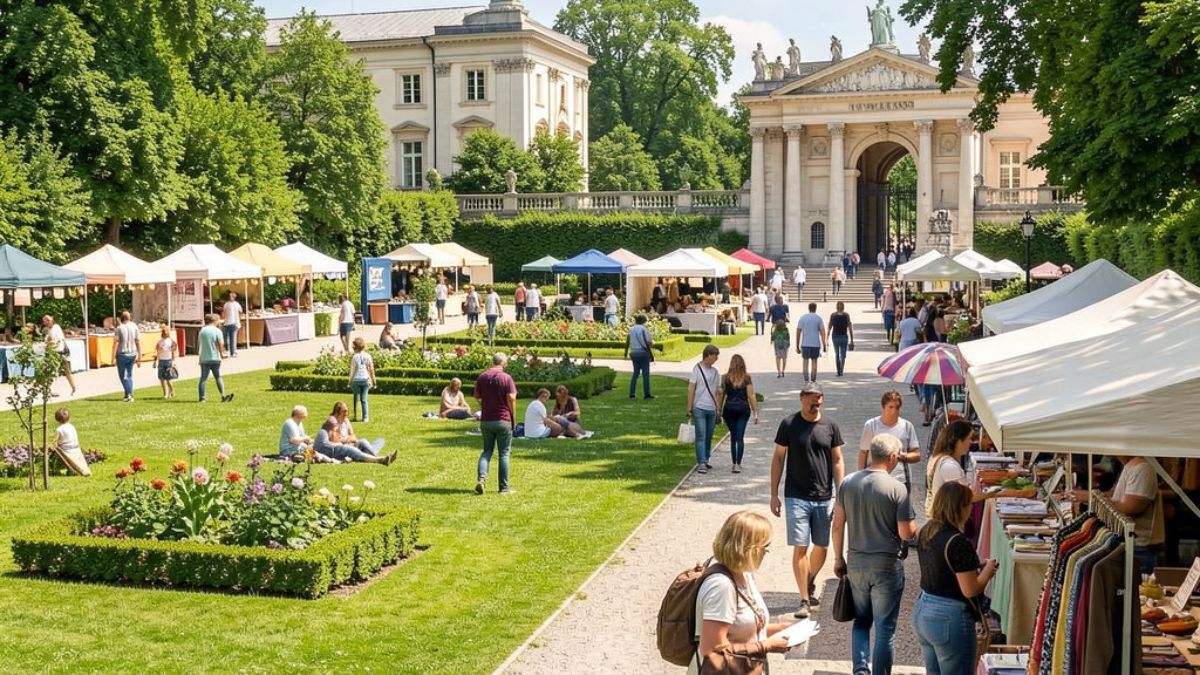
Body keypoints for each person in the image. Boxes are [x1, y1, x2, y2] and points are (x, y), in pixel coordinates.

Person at [831, 434, 918, 675]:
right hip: (887, 565)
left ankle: (860, 670)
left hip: (857, 563)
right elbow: (906, 533)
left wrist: (839, 558)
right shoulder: (897, 489)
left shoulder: (847, 483)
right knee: (885, 629)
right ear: (892, 457)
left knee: (861, 621)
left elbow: (837, 525)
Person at [771, 381, 844, 619]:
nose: (817, 402)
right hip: (796, 495)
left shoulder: (830, 426)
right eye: (812, 397)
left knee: (821, 547)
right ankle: (804, 598)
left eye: (820, 397)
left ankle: (809, 578)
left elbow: (837, 460)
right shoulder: (789, 425)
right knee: (800, 546)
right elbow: (779, 459)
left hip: (824, 496)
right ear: (802, 398)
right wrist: (774, 493)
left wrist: (840, 491)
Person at [689, 511, 793, 675]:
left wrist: (781, 629)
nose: (765, 554)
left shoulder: (744, 573)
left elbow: (742, 629)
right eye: (764, 549)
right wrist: (767, 646)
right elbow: (711, 649)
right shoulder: (721, 586)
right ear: (749, 549)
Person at [913, 482, 999, 675]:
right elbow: (970, 589)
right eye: (969, 504)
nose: (971, 509)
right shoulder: (957, 541)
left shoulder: (927, 531)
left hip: (923, 609)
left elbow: (945, 568)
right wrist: (988, 571)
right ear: (960, 507)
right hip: (949, 615)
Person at [1069, 456, 1165, 572]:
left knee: (1136, 587)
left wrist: (1091, 498)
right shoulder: (1131, 466)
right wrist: (1088, 495)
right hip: (1129, 541)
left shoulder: (1142, 469)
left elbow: (1130, 507)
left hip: (1139, 546)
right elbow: (1116, 495)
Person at [925, 419, 999, 514]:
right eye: (969, 438)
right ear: (959, 441)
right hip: (945, 520)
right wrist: (992, 493)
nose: (971, 443)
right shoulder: (949, 466)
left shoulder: (942, 458)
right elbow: (968, 496)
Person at [475, 352, 518, 495]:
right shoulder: (506, 378)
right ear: (504, 363)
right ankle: (503, 488)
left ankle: (481, 479)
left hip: (486, 420)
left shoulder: (482, 377)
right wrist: (513, 417)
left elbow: (477, 396)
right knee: (504, 454)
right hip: (503, 419)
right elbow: (511, 398)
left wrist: (486, 405)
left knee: (487, 451)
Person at [858, 390, 921, 486]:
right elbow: (863, 452)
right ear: (883, 407)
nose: (894, 411)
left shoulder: (907, 426)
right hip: (875, 479)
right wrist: (861, 477)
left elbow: (916, 455)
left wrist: (901, 457)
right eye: (890, 407)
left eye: (897, 407)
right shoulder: (871, 425)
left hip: (900, 480)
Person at [717, 354, 758, 474]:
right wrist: (756, 412)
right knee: (740, 437)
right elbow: (751, 395)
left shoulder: (725, 378)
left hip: (729, 409)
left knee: (733, 437)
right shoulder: (746, 378)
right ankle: (738, 464)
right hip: (743, 409)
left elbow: (721, 394)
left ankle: (733, 462)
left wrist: (718, 410)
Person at [687, 345, 721, 474]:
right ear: (708, 355)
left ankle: (706, 459)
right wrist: (689, 407)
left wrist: (718, 409)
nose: (716, 358)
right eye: (715, 356)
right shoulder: (697, 369)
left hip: (711, 408)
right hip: (699, 407)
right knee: (701, 435)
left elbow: (717, 392)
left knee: (709, 436)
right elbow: (691, 389)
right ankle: (701, 462)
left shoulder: (715, 372)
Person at [314, 416, 395, 464]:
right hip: (333, 452)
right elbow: (324, 445)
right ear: (330, 426)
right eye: (335, 426)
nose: (336, 428)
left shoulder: (329, 432)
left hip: (339, 448)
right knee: (351, 450)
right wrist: (339, 444)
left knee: (363, 442)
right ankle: (379, 459)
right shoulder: (323, 432)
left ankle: (378, 455)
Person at [197, 313, 233, 403]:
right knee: (218, 377)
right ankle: (223, 395)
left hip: (204, 358)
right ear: (214, 321)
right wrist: (222, 354)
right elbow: (221, 344)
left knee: (203, 379)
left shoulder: (202, 331)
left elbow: (200, 345)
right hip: (215, 357)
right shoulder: (217, 331)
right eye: (218, 321)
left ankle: (202, 398)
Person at [41, 315, 76, 396]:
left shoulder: (56, 327)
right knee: (51, 371)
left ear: (49, 321)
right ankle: (48, 390)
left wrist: (49, 343)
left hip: (60, 352)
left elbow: (58, 340)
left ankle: (73, 387)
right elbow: (47, 340)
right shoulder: (48, 330)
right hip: (53, 352)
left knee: (66, 370)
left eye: (45, 321)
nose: (44, 323)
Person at [112, 311, 141, 402]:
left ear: (121, 318)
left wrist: (112, 356)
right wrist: (140, 355)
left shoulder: (119, 328)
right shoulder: (135, 326)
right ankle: (127, 394)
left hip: (122, 354)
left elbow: (116, 343)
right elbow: (138, 341)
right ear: (129, 318)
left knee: (123, 376)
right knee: (128, 374)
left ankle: (129, 394)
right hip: (132, 353)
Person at [795, 302, 827, 382]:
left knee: (805, 360)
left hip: (805, 343)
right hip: (815, 343)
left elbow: (798, 331)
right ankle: (813, 379)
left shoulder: (803, 318)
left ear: (809, 308)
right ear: (815, 308)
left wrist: (797, 345)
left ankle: (806, 378)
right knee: (814, 361)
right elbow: (822, 332)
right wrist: (824, 344)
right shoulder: (818, 318)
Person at [54, 408, 90, 476]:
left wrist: (54, 446)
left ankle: (57, 469)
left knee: (56, 454)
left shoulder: (59, 429)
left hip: (66, 450)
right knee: (80, 463)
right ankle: (85, 471)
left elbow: (56, 441)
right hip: (75, 447)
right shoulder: (72, 426)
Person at [626, 314, 655, 399]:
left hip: (634, 353)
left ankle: (632, 393)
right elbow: (649, 341)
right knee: (645, 374)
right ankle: (647, 394)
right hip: (643, 352)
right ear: (644, 321)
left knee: (635, 373)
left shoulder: (631, 329)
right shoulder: (643, 329)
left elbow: (628, 341)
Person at [348, 337, 376, 422]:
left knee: (356, 398)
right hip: (365, 379)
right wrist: (374, 381)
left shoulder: (355, 357)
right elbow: (371, 370)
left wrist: (349, 381)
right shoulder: (368, 356)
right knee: (364, 399)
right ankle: (365, 417)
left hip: (356, 379)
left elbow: (352, 370)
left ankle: (356, 416)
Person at [828, 301, 855, 377]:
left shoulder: (833, 315)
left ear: (836, 307)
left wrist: (827, 336)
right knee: (843, 355)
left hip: (835, 336)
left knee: (837, 354)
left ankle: (838, 370)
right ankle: (841, 369)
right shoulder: (846, 315)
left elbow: (830, 326)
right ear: (843, 307)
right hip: (844, 336)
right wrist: (852, 339)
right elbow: (850, 327)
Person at [154, 326, 178, 399]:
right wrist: (155, 361)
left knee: (168, 379)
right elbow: (156, 352)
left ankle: (172, 391)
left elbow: (174, 351)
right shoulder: (159, 342)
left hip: (168, 361)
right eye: (163, 332)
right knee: (161, 378)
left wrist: (173, 360)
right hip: (161, 361)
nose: (164, 333)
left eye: (165, 331)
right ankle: (165, 394)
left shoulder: (171, 341)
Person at [222, 291, 243, 357]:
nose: (231, 297)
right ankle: (228, 352)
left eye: (232, 296)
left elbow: (240, 312)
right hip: (227, 323)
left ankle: (233, 352)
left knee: (232, 339)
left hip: (234, 323)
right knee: (227, 339)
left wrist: (238, 320)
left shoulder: (237, 304)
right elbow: (224, 313)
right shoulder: (226, 304)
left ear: (234, 297)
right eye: (230, 296)